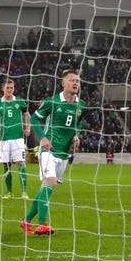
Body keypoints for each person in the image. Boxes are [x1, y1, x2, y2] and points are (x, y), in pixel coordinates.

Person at [21, 69, 85, 235]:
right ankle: (42, 224)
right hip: (48, 149)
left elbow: (78, 123)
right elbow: (34, 118)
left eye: (77, 80)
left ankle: (26, 221)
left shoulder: (81, 104)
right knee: (51, 182)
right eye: (71, 80)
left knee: (45, 188)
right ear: (63, 83)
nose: (75, 83)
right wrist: (42, 138)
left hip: (64, 153)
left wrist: (76, 135)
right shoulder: (52, 102)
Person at [0, 79, 31, 199]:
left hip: (18, 138)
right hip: (4, 139)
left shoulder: (19, 102)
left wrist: (28, 128)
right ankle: (9, 192)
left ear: (14, 88)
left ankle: (24, 192)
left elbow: (27, 115)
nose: (9, 90)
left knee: (20, 164)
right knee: (6, 166)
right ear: (3, 89)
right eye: (7, 88)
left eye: (11, 88)